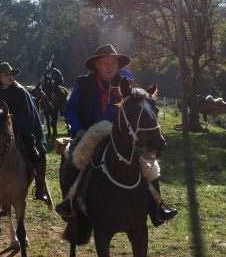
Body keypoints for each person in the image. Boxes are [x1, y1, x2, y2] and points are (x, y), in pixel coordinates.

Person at [56, 44, 177, 223]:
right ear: (97, 65)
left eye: (114, 63)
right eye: (106, 63)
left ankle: (157, 206)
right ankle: (69, 201)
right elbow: (70, 108)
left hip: (123, 133)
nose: (110, 67)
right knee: (74, 156)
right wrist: (78, 128)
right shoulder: (84, 83)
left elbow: (139, 106)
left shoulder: (127, 82)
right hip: (90, 131)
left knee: (148, 161)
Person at [0, 62, 50, 202]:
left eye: (11, 74)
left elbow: (29, 116)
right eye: (5, 74)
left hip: (22, 130)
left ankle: (40, 187)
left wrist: (14, 125)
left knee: (40, 151)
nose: (9, 76)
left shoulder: (21, 92)